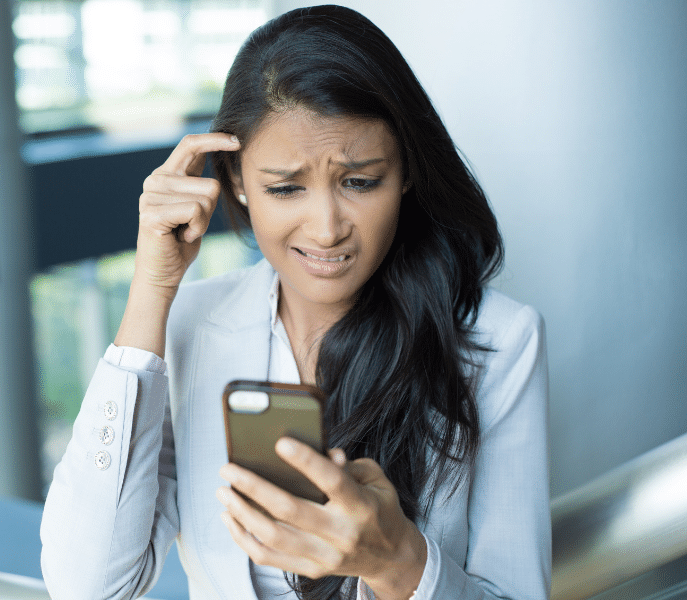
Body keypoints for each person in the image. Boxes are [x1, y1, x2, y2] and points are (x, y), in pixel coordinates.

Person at [40, 5, 550, 600]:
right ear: (236, 183)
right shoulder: (192, 327)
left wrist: (397, 562)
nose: (327, 228)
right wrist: (153, 291)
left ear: (407, 172)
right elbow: (87, 585)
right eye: (285, 188)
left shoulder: (497, 342)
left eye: (360, 181)